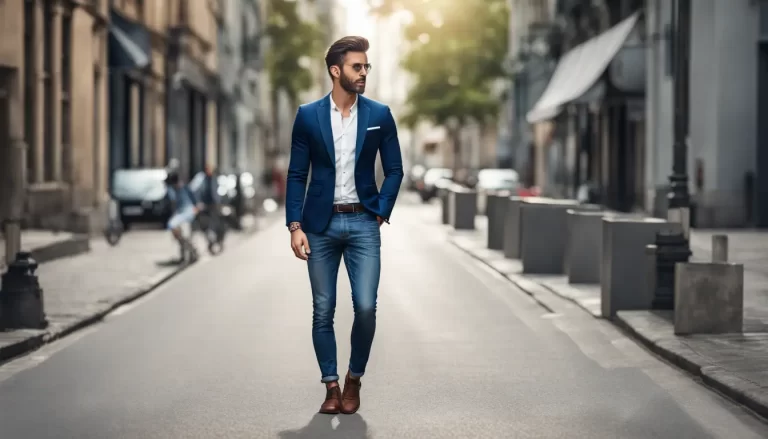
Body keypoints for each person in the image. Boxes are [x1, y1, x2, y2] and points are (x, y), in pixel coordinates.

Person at [285, 36, 404, 415]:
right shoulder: (307, 115)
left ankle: (354, 378)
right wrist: (294, 225)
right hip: (319, 225)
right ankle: (331, 387)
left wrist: (382, 210)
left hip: (363, 222)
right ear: (336, 71)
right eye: (357, 66)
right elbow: (296, 174)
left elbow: (396, 169)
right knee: (324, 309)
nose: (364, 72)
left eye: (366, 66)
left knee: (366, 307)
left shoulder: (379, 115)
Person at [165, 170, 199, 263]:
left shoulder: (184, 187)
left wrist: (196, 207)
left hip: (187, 212)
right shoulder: (173, 189)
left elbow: (193, 198)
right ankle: (187, 253)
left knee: (184, 235)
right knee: (181, 234)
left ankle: (192, 251)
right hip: (181, 213)